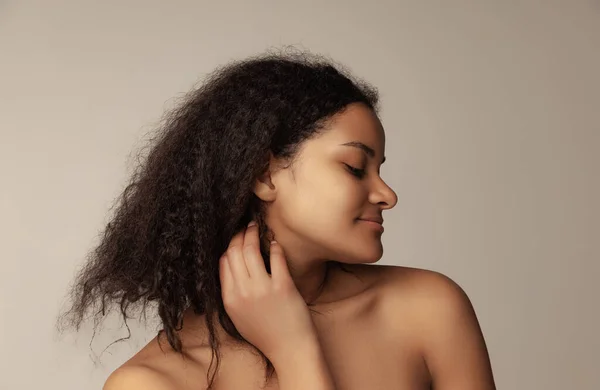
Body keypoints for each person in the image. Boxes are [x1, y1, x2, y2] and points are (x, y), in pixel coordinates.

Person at [59, 49, 496, 390]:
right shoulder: (154, 382)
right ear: (264, 175)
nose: (387, 194)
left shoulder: (429, 309)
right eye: (355, 168)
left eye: (381, 169)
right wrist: (295, 352)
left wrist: (294, 349)